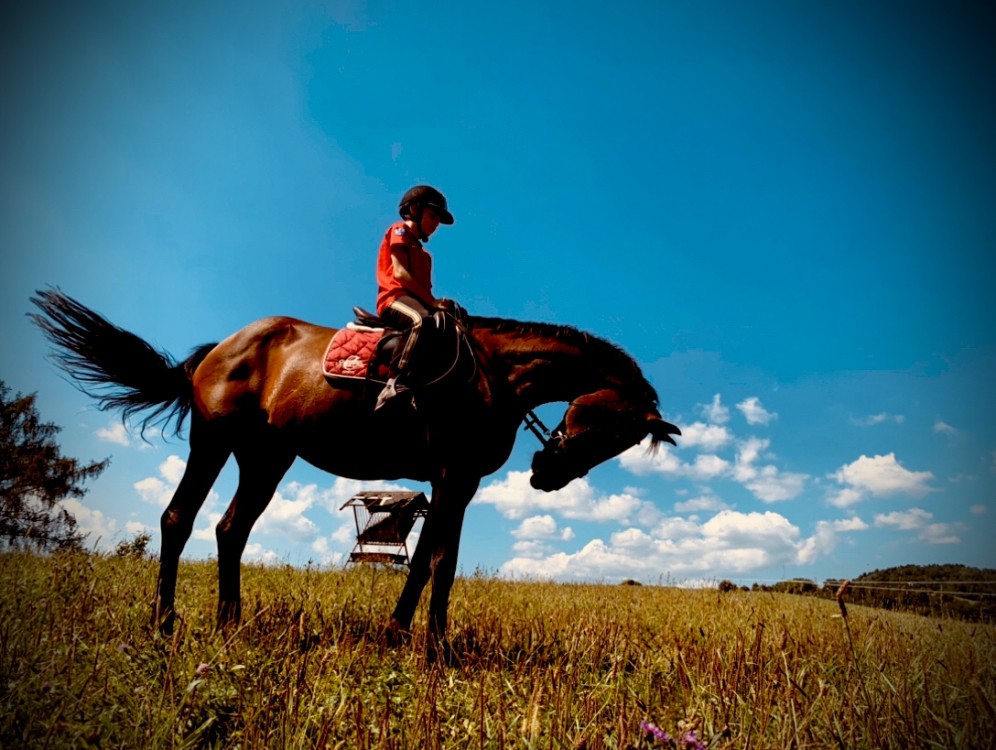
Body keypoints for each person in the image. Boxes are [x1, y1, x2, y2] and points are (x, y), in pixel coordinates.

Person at [374, 185, 455, 407]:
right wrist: (432, 304)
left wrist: (442, 307)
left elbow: (425, 292)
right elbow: (400, 274)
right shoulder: (400, 230)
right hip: (394, 298)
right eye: (432, 216)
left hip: (415, 302)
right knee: (421, 321)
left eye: (439, 220)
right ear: (414, 209)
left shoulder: (426, 256)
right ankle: (394, 383)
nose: (436, 223)